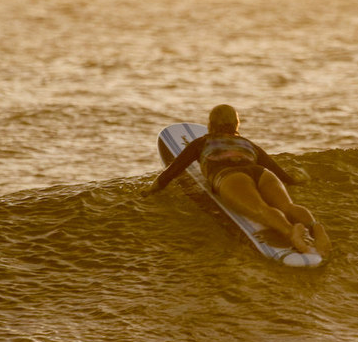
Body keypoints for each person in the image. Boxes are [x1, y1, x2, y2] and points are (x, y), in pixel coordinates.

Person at [142, 105, 331, 256]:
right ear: (236, 124)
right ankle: (316, 229)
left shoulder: (201, 143)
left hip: (230, 176)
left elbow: (172, 171)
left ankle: (291, 233)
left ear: (210, 124)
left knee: (261, 210)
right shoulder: (248, 144)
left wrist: (151, 190)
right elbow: (279, 172)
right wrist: (295, 180)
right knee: (288, 206)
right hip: (261, 173)